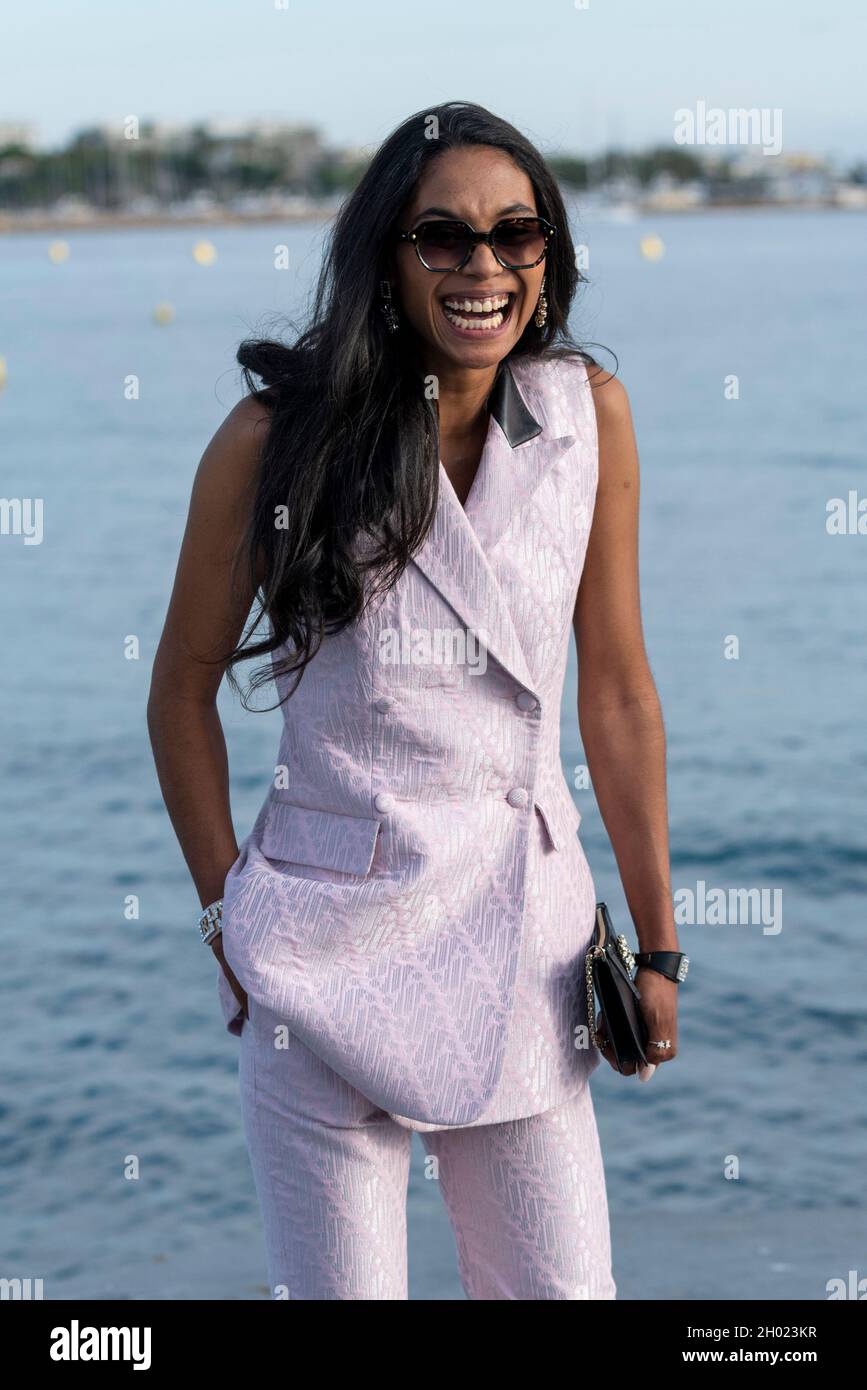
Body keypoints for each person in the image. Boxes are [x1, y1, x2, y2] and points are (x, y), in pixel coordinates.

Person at [147, 100, 685, 1301]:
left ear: (548, 256)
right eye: (443, 236)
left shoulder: (587, 418)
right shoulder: (278, 439)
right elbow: (180, 686)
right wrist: (222, 913)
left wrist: (659, 946)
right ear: (387, 258)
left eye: (517, 234)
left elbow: (619, 690)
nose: (484, 266)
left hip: (529, 955)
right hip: (321, 953)